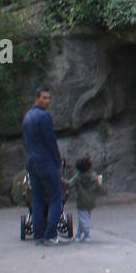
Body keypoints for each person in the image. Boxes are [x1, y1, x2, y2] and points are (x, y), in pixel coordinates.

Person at [21, 86, 65, 245]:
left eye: (48, 98)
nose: (47, 101)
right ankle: (51, 234)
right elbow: (50, 141)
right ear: (36, 98)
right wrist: (58, 161)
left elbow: (26, 141)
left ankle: (38, 235)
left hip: (31, 161)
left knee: (37, 199)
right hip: (45, 160)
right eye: (44, 98)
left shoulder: (27, 117)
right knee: (56, 197)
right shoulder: (44, 117)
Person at [66, 155, 103, 242]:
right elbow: (100, 187)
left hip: (81, 201)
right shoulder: (94, 176)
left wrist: (60, 179)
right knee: (84, 219)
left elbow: (69, 184)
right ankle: (78, 235)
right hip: (91, 201)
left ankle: (87, 235)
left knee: (83, 219)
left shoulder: (77, 177)